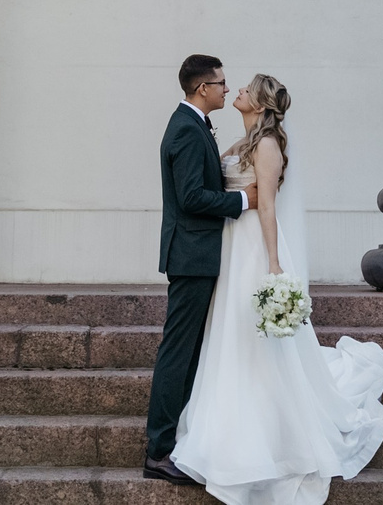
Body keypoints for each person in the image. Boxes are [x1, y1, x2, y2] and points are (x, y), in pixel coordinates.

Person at [170, 74, 383, 505]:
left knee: (253, 334)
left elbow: (269, 207)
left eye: (243, 89)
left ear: (258, 102)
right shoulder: (242, 144)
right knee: (231, 330)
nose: (234, 90)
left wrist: (273, 264)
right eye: (227, 86)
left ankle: (270, 423)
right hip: (232, 245)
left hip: (255, 246)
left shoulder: (268, 145)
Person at [145, 55, 251, 485]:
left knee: (187, 352)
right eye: (222, 83)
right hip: (191, 256)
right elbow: (191, 198)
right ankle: (158, 451)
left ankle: (175, 441)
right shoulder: (188, 130)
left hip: (196, 254)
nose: (228, 89)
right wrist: (245, 201)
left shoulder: (191, 124)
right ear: (202, 88)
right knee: (178, 352)